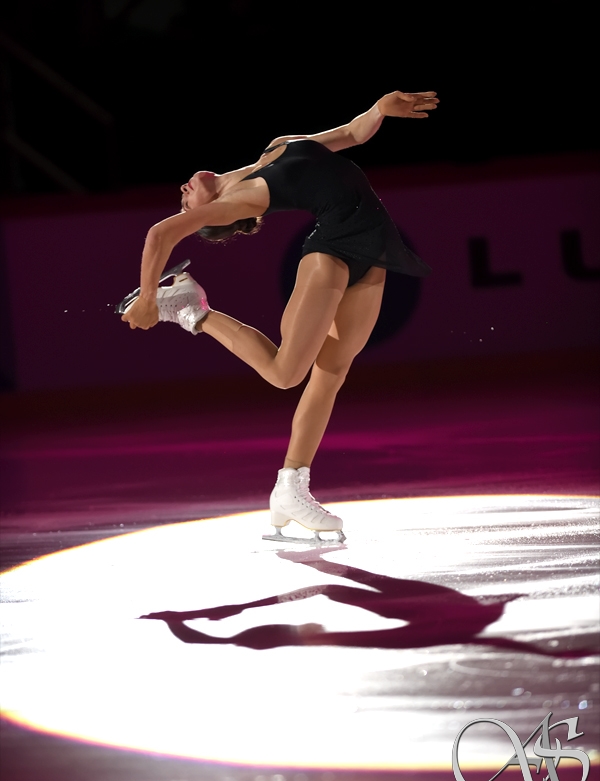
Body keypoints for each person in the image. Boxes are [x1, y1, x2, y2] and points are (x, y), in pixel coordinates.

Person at [120, 91, 438, 542]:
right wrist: (149, 298)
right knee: (286, 374)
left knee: (331, 374)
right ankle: (192, 309)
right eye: (187, 205)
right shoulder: (243, 200)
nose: (182, 194)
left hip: (373, 253)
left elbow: (351, 133)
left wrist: (380, 110)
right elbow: (160, 234)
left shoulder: (278, 146)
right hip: (331, 253)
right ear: (214, 217)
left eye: (183, 199)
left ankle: (290, 487)